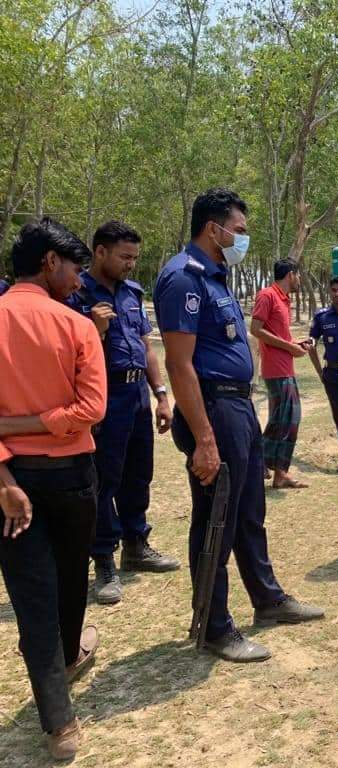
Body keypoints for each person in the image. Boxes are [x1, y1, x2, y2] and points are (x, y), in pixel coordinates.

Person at [154, 189, 323, 663]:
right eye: (240, 231)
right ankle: (214, 626)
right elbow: (180, 365)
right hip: (212, 409)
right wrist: (204, 438)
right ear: (215, 229)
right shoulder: (183, 279)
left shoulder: (216, 278)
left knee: (249, 509)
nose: (243, 239)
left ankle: (267, 598)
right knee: (217, 516)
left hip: (238, 406)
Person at [0, 218, 107, 759]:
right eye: (74, 267)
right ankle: (63, 672)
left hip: (10, 482)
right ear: (48, 262)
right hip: (70, 478)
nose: (78, 280)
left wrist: (11, 431)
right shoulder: (77, 326)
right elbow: (92, 410)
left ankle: (61, 725)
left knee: (33, 599)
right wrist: (50, 421)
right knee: (68, 586)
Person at [67, 221, 179, 606]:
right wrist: (93, 328)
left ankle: (137, 544)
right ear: (100, 252)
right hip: (103, 395)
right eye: (124, 257)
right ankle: (104, 561)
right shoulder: (75, 294)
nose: (132, 264)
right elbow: (68, 355)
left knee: (138, 472)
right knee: (103, 479)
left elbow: (147, 347)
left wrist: (161, 394)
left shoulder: (132, 293)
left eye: (135, 257)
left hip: (136, 394)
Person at [251, 259, 310, 489]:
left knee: (288, 421)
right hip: (275, 370)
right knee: (282, 421)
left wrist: (296, 344)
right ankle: (257, 465)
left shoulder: (285, 300)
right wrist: (289, 347)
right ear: (291, 274)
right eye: (298, 276)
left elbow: (277, 334)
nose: (300, 280)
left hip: (286, 367)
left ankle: (279, 473)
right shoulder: (267, 295)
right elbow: (256, 330)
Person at [308, 276, 338, 473]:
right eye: (334, 290)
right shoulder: (321, 317)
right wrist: (320, 372)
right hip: (333, 374)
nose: (337, 294)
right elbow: (311, 342)